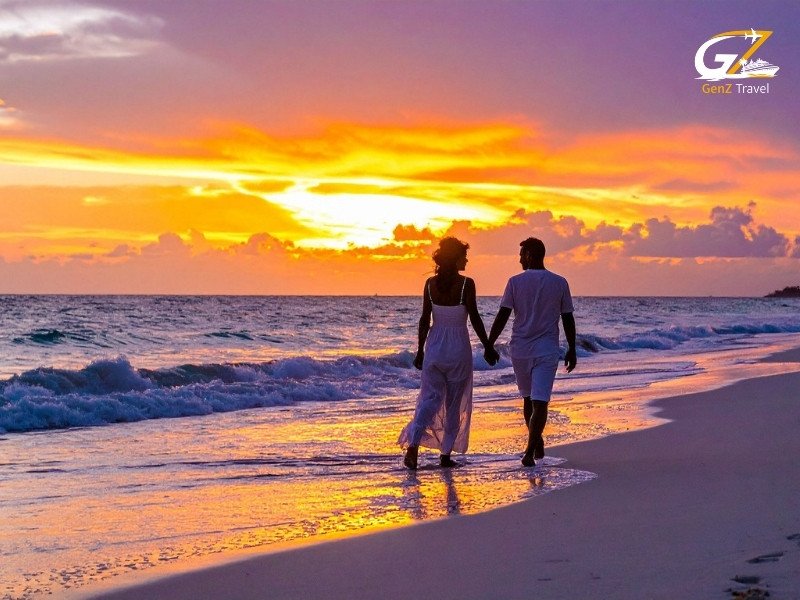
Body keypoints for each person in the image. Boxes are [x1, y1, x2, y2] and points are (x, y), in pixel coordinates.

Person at [398, 237, 495, 469]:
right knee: (453, 404)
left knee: (429, 399)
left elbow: (424, 320)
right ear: (456, 259)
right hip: (458, 349)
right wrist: (487, 346)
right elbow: (475, 317)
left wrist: (420, 351)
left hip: (434, 348)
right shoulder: (466, 284)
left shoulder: (430, 284)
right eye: (464, 256)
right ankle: (445, 455)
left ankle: (413, 445)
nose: (467, 260)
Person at [484, 237, 576, 467]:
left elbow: (503, 315)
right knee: (537, 400)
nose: (519, 260)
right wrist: (572, 348)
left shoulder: (515, 282)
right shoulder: (559, 282)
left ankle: (529, 450)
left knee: (532, 399)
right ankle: (536, 441)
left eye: (521, 255)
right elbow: (567, 318)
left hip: (522, 349)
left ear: (529, 255)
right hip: (545, 349)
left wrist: (489, 343)